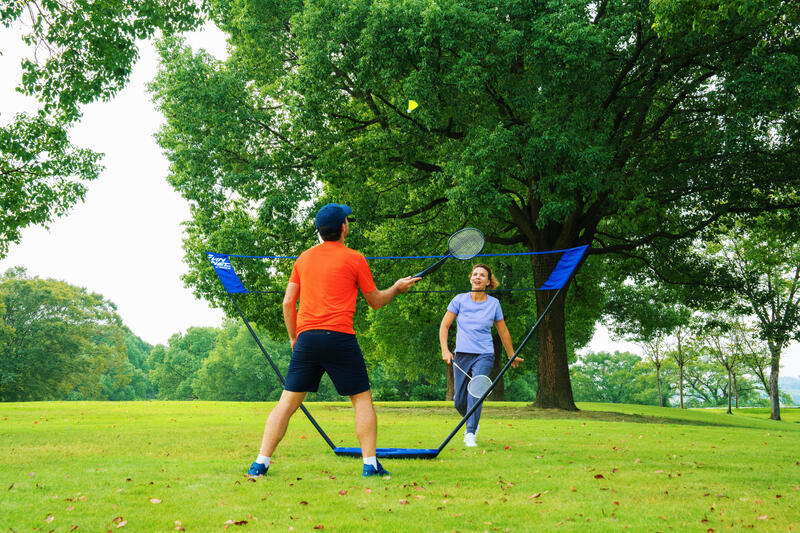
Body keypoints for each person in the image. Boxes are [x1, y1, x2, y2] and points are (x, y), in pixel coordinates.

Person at [247, 203, 420, 478]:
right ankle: (370, 465)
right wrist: (397, 288)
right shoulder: (355, 258)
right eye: (347, 220)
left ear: (319, 231)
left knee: (287, 403)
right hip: (340, 337)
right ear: (343, 227)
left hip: (307, 339)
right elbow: (376, 301)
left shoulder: (303, 259)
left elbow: (288, 302)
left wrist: (294, 337)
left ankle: (260, 463)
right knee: (361, 400)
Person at [439, 263, 521, 447]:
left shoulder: (494, 304)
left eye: (482, 275)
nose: (477, 277)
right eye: (475, 274)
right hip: (461, 354)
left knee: (475, 393)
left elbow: (503, 331)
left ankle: (470, 433)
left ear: (488, 282)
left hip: (484, 354)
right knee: (459, 401)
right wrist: (445, 349)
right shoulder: (459, 300)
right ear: (470, 278)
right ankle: (473, 422)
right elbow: (444, 326)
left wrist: (511, 355)